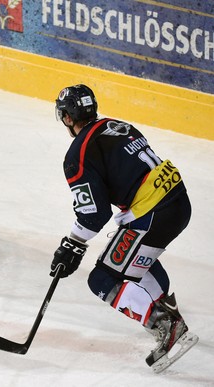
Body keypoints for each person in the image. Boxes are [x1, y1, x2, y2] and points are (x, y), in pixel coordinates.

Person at [50, 84, 198, 371]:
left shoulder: (77, 155)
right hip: (179, 202)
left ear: (67, 117)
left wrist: (72, 245)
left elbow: (94, 214)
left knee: (102, 279)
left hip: (152, 213)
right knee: (137, 262)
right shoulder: (116, 125)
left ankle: (165, 323)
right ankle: (166, 308)